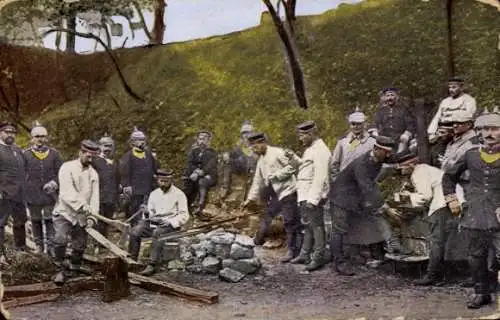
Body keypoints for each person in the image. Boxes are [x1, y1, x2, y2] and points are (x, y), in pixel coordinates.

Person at [442, 108, 500, 309]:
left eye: (494, 129)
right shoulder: (471, 154)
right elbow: (448, 177)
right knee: (476, 257)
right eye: (484, 129)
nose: (489, 133)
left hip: (498, 214)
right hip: (475, 214)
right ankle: (481, 293)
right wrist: (452, 199)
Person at [329, 136, 402, 276]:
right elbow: (368, 187)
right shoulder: (362, 164)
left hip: (355, 197)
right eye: (385, 152)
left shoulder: (379, 157)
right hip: (341, 197)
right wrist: (385, 207)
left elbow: (396, 159)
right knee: (339, 230)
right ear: (375, 149)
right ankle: (339, 263)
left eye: (389, 152)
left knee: (365, 224)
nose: (388, 155)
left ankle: (372, 255)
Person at [391, 152, 455, 286]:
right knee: (441, 241)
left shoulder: (419, 172)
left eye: (402, 167)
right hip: (445, 201)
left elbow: (425, 196)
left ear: (411, 164)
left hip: (442, 203)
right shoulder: (424, 169)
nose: (400, 170)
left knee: (437, 241)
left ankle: (432, 276)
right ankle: (440, 275)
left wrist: (409, 196)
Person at [242, 132, 302, 263]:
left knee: (290, 221)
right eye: (252, 148)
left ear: (262, 143)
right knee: (267, 216)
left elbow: (295, 164)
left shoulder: (278, 153)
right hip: (276, 194)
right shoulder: (261, 160)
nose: (254, 150)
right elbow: (257, 181)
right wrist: (250, 199)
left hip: (289, 191)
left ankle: (293, 251)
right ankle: (257, 241)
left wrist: (278, 175)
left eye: (255, 147)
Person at [52, 140, 100, 285]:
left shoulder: (93, 174)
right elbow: (67, 193)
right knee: (60, 239)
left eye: (93, 157)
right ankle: (59, 268)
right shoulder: (67, 168)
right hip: (65, 212)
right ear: (81, 153)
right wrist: (81, 207)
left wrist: (92, 216)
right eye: (88, 156)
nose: (90, 160)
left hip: (82, 214)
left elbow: (95, 197)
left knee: (79, 244)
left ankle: (75, 267)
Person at [128, 169, 189, 276]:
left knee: (158, 233)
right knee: (135, 231)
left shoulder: (179, 194)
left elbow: (184, 215)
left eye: (166, 181)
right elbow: (150, 213)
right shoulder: (154, 194)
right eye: (161, 181)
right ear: (157, 180)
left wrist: (170, 222)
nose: (163, 184)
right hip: (154, 223)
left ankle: (152, 264)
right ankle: (132, 261)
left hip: (170, 225)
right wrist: (147, 213)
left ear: (171, 180)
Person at [287, 120, 330, 272]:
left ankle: (318, 257)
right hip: (305, 194)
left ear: (310, 134)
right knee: (308, 226)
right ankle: (305, 254)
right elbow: (305, 169)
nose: (300, 139)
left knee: (317, 227)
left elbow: (321, 176)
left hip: (312, 195)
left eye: (302, 136)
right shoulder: (311, 149)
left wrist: (314, 199)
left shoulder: (321, 150)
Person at [23, 121, 63, 255]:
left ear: (46, 138)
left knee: (49, 220)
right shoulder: (26, 155)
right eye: (37, 136)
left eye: (42, 136)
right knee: (35, 220)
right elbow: (21, 174)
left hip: (49, 195)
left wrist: (54, 183)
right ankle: (39, 246)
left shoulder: (54, 154)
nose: (40, 139)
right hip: (32, 194)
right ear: (32, 138)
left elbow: (61, 173)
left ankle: (51, 246)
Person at [120, 127, 157, 226]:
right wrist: (126, 186)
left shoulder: (148, 154)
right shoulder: (128, 156)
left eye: (143, 140)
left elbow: (155, 169)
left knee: (148, 210)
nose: (142, 142)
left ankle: (146, 230)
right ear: (133, 142)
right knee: (135, 211)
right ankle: (134, 230)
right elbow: (124, 173)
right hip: (135, 189)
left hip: (148, 188)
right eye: (139, 140)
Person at [0, 121, 27, 257]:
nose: (10, 135)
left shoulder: (17, 149)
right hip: (3, 194)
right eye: (7, 132)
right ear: (1, 133)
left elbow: (24, 169)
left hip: (19, 194)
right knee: (1, 222)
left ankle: (21, 250)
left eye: (12, 132)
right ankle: (0, 253)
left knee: (20, 221)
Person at [428, 76, 477, 142]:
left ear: (461, 88)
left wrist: (452, 116)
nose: (451, 90)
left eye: (454, 87)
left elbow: (469, 116)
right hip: (443, 131)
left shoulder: (469, 100)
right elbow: (437, 117)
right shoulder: (445, 101)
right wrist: (431, 133)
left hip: (460, 130)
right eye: (449, 87)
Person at [183, 130, 218, 221]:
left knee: (202, 182)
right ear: (197, 140)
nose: (202, 141)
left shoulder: (212, 152)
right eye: (200, 139)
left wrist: (201, 172)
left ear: (209, 140)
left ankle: (200, 206)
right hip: (196, 174)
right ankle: (186, 208)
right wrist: (195, 171)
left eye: (204, 139)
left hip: (209, 176)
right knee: (188, 183)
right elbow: (190, 163)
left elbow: (211, 165)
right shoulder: (194, 151)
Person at [91, 133, 120, 239]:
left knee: (107, 221)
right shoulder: (95, 161)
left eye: (110, 146)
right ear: (100, 147)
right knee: (98, 222)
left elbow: (117, 181)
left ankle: (103, 245)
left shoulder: (115, 163)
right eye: (105, 146)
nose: (107, 149)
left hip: (111, 198)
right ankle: (96, 243)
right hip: (98, 197)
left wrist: (117, 199)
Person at [220, 120, 258, 199]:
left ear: (253, 133)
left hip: (253, 168)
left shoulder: (257, 143)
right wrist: (227, 154)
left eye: (248, 132)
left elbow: (255, 158)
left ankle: (250, 196)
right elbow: (233, 153)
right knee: (227, 163)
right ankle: (225, 188)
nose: (246, 135)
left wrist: (247, 150)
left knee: (248, 163)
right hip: (241, 168)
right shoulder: (240, 143)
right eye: (244, 133)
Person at [372, 87, 416, 153]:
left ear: (396, 97)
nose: (390, 98)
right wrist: (374, 131)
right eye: (388, 96)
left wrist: (406, 134)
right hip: (385, 138)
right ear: (385, 98)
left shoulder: (404, 110)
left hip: (399, 138)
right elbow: (375, 123)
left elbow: (410, 124)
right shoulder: (380, 111)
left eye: (392, 95)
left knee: (402, 148)